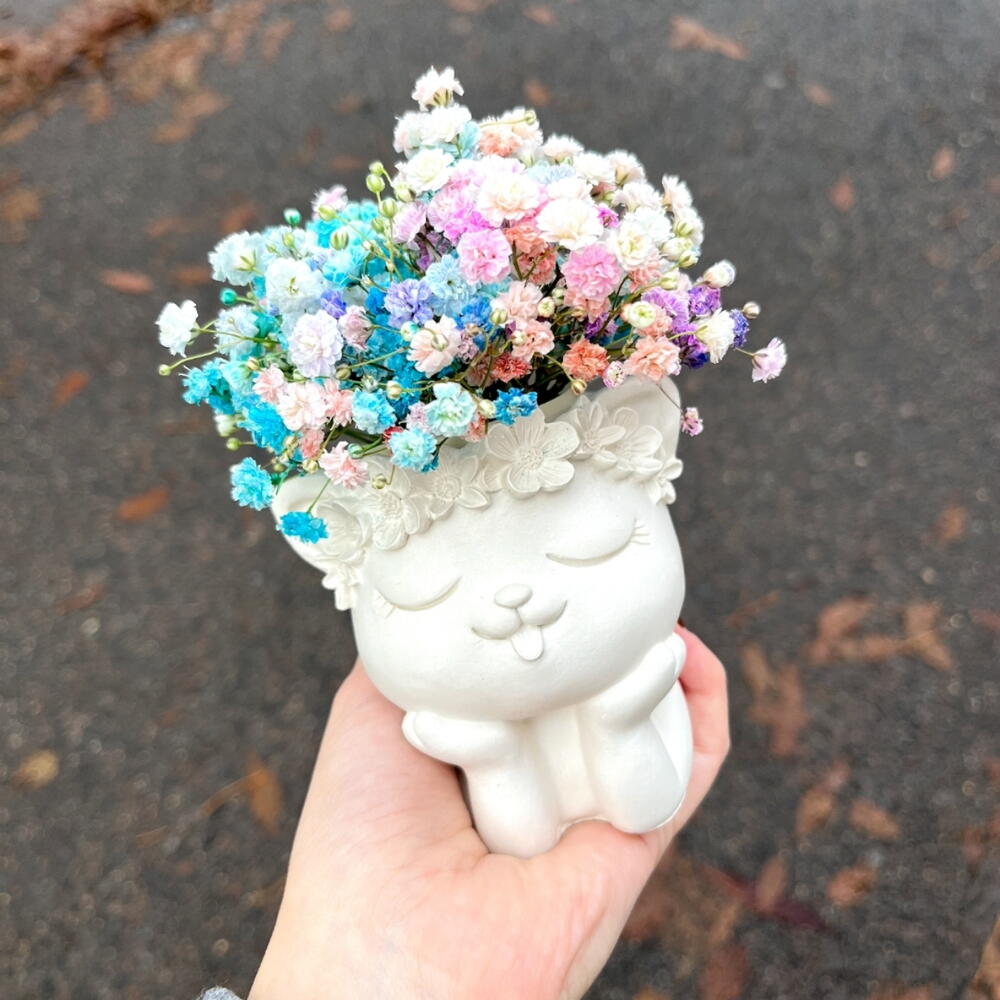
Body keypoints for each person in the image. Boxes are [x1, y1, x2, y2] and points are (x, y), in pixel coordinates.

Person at [210, 626, 728, 1000]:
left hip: (625, 727)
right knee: (519, 822)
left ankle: (617, 729)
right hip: (526, 762)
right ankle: (501, 761)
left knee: (640, 797)